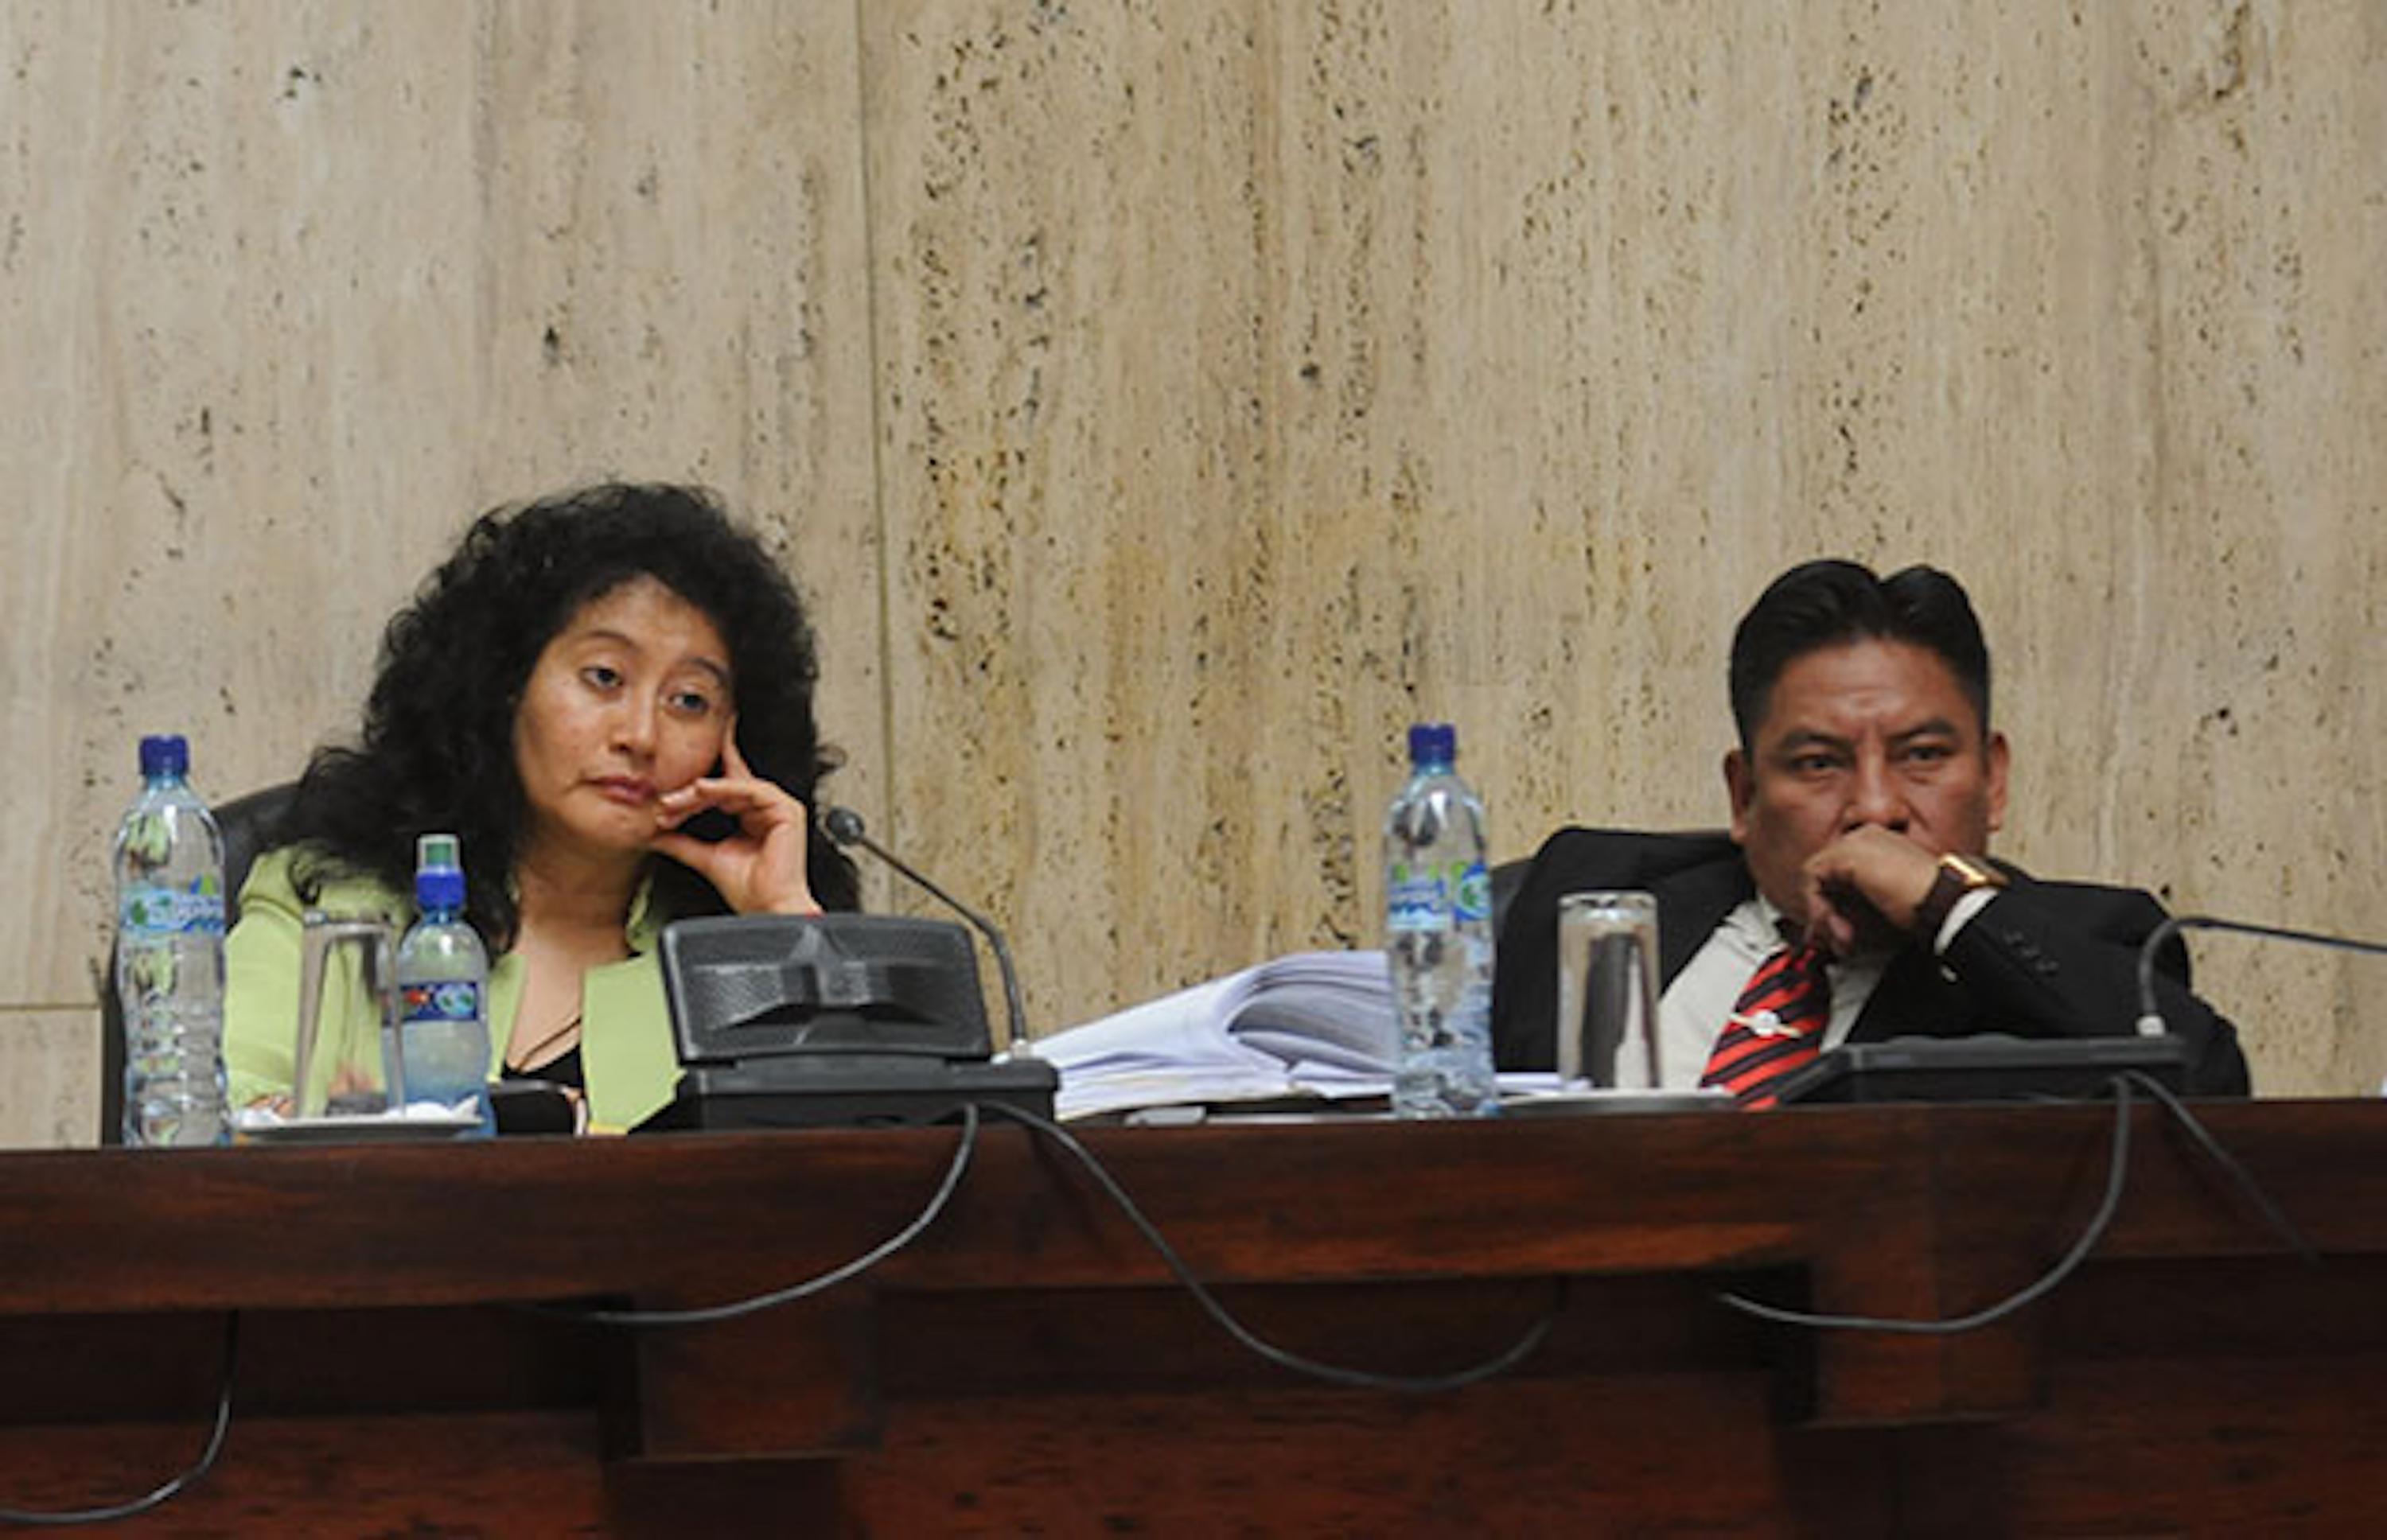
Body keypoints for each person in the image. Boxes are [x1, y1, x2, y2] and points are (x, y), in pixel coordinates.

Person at [224, 482, 859, 1133]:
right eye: (604, 678)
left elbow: (862, 1181)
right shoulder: (325, 906)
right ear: (504, 685)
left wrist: (785, 926)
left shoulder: (732, 955)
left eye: (689, 701)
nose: (640, 735)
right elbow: (211, 1129)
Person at [1489, 559, 2250, 1101]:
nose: (1875, 808)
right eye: (1820, 764)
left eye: (1923, 757)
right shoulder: (1589, 892)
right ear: (1745, 794)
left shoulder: (2076, 951)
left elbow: (2209, 1085)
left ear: (1994, 780)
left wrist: (1944, 900)